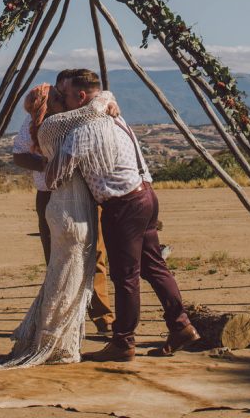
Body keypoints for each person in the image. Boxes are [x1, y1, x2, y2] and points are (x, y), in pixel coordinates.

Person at [49, 68, 199, 362]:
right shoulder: (113, 116)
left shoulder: (83, 131)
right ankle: (181, 326)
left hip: (123, 205)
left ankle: (123, 341)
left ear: (80, 96)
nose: (61, 101)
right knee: (154, 266)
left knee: (126, 275)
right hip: (145, 195)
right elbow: (104, 96)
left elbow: (55, 174)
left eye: (64, 96)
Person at [2, 82, 119, 366]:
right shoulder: (56, 124)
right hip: (65, 202)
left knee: (69, 269)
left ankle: (71, 331)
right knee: (70, 269)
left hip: (69, 200)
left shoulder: (55, 123)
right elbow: (94, 107)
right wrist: (106, 97)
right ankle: (59, 337)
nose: (63, 99)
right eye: (59, 96)